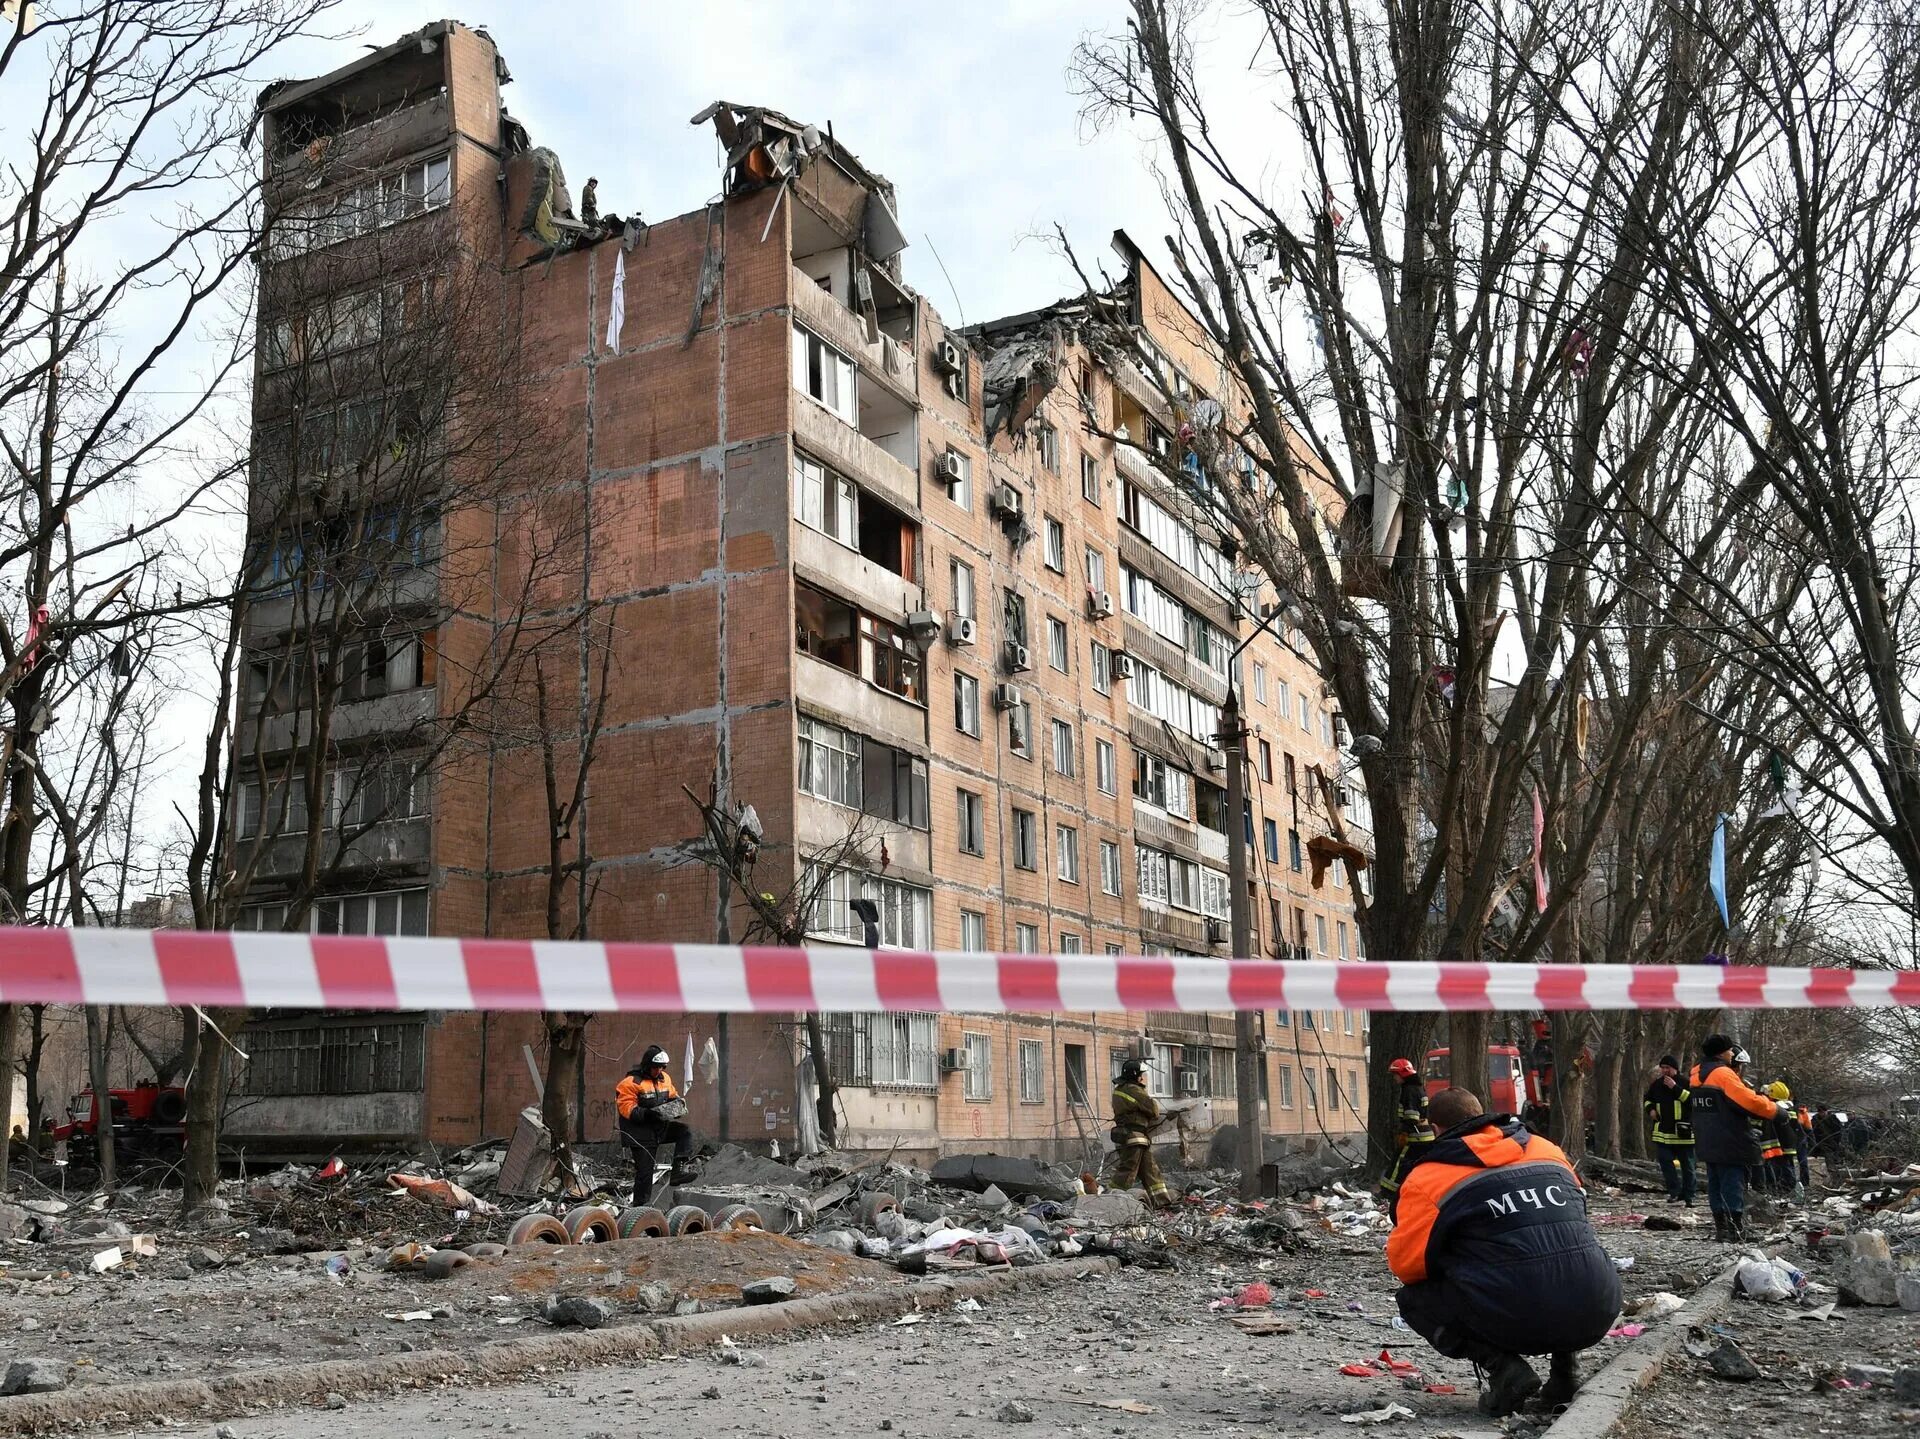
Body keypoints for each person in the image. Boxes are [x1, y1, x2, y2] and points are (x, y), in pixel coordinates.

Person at [1387, 1087, 1620, 1417]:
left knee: (1415, 1297)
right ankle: (1566, 1374)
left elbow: (1407, 1267)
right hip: (1596, 1306)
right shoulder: (1547, 1149)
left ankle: (1504, 1369)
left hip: (1514, 1318)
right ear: (1484, 1114)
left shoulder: (1427, 1178)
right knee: (1563, 1254)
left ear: (1435, 1128)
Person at [1689, 1035, 1791, 1242]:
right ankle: (1736, 1230)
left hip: (1706, 1138)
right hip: (1729, 1138)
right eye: (1729, 1051)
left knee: (1715, 1183)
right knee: (1732, 1183)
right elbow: (1749, 1101)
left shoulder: (1696, 1074)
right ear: (1721, 1052)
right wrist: (1777, 1111)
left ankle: (1721, 1229)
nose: (1731, 1054)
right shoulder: (1723, 1074)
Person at [615, 1045, 695, 1204]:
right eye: (656, 1067)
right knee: (645, 1173)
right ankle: (640, 1209)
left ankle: (678, 1171)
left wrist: (677, 1106)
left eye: (662, 1067)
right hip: (639, 1135)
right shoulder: (630, 1083)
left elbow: (672, 1096)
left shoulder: (665, 1079)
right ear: (647, 1065)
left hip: (658, 1129)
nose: (659, 1070)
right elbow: (627, 1110)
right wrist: (647, 1113)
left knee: (684, 1132)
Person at [1105, 1058, 1171, 1207]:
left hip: (1134, 1138)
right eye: (1141, 1074)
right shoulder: (1134, 1089)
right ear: (1135, 1075)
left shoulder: (1120, 1089)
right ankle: (1110, 1202)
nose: (1142, 1078)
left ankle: (1162, 1203)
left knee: (1151, 1171)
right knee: (1127, 1172)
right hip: (1134, 1137)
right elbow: (1154, 1111)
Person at [1379, 1057, 1435, 1198]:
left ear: (1403, 1074)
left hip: (1415, 1136)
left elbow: (1411, 1115)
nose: (1394, 1078)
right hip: (1426, 1135)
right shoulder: (1418, 1088)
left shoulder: (1409, 1090)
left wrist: (1404, 1132)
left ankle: (1389, 1192)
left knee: (1399, 1163)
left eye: (1395, 1075)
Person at [1642, 1057, 1695, 1207]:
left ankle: (1689, 1195)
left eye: (1667, 1068)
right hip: (1663, 1132)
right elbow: (1647, 1099)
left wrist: (1675, 1088)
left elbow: (1692, 1101)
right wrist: (1650, 1109)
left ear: (1675, 1068)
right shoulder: (1657, 1085)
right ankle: (1674, 1192)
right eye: (1662, 1067)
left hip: (1683, 1132)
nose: (1664, 1071)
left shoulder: (1685, 1082)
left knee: (1688, 1166)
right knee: (1665, 1162)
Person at [1765, 1082, 1804, 1200]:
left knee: (1779, 1170)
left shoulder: (1774, 1109)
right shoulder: (1791, 1109)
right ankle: (1789, 1190)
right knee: (1788, 1167)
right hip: (1790, 1146)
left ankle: (1781, 1191)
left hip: (1778, 1146)